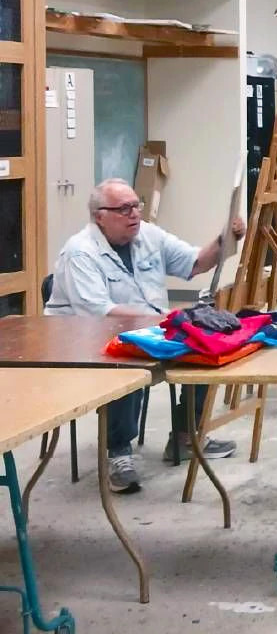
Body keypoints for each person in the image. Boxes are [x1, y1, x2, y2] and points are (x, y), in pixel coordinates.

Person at [45, 178, 246, 494]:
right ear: (100, 216)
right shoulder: (80, 252)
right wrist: (162, 320)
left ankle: (185, 436)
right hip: (85, 338)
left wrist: (225, 240)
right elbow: (98, 313)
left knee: (208, 342)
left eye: (135, 205)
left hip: (146, 328)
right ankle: (119, 452)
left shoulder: (147, 235)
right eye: (123, 209)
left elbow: (194, 263)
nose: (134, 214)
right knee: (130, 359)